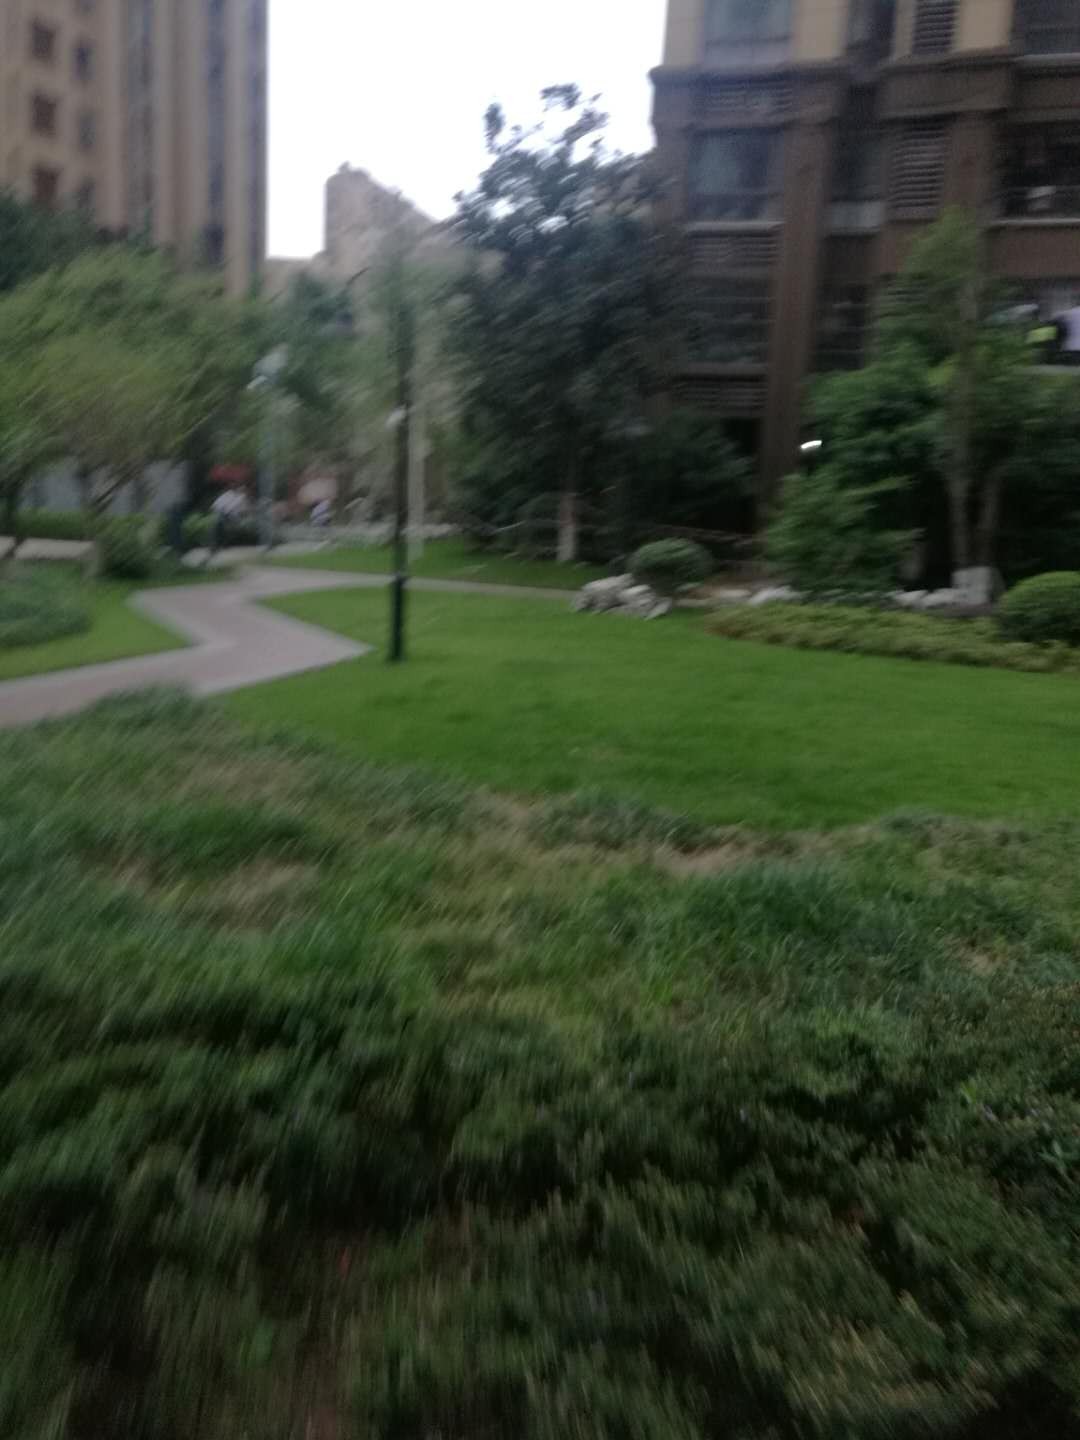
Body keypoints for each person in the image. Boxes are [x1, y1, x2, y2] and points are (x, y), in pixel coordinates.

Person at [209, 486, 247, 561]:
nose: (240, 490)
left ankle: (216, 545)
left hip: (232, 517)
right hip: (224, 515)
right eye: (240, 489)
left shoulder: (241, 497)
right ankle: (216, 545)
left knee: (219, 525)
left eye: (242, 489)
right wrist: (222, 510)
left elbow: (239, 509)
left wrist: (227, 511)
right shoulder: (229, 494)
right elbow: (217, 504)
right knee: (218, 525)